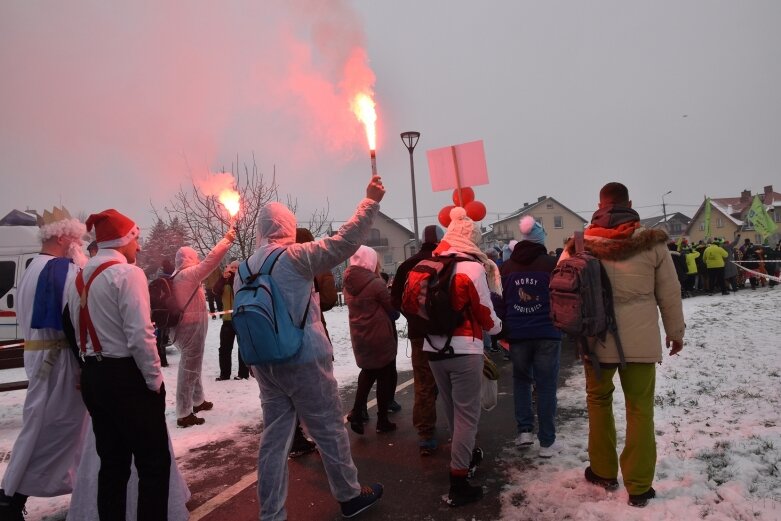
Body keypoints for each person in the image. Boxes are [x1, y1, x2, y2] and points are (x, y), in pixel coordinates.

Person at [236, 175, 386, 520]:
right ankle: (350, 495)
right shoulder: (295, 257)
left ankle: (271, 513)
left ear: (260, 229)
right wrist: (370, 201)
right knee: (328, 428)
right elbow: (344, 242)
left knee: (274, 439)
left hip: (265, 362)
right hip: (303, 359)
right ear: (288, 226)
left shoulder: (245, 268)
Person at [559, 182, 685, 508]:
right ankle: (640, 487)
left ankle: (602, 471)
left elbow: (562, 287)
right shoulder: (652, 243)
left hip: (595, 342)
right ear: (629, 203)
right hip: (640, 342)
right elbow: (669, 293)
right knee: (640, 409)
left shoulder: (579, 244)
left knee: (598, 404)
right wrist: (676, 332)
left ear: (599, 204)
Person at [66, 208, 171, 520]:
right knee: (153, 464)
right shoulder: (127, 273)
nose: (138, 247)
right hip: (126, 377)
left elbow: (74, 327)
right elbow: (140, 335)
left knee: (112, 464)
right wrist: (154, 382)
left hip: (94, 376)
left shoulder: (80, 277)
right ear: (122, 240)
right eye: (135, 240)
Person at [0, 207, 90, 520]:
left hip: (40, 357)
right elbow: (70, 320)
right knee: (56, 428)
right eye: (75, 237)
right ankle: (11, 497)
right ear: (63, 235)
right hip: (59, 360)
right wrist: (84, 364)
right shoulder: (57, 269)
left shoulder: (33, 268)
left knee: (46, 425)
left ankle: (14, 493)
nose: (78, 242)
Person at [419, 206, 502, 507]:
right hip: (465, 349)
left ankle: (464, 456)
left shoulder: (431, 264)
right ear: (472, 239)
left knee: (453, 410)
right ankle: (458, 481)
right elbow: (485, 313)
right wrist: (499, 327)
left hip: (433, 349)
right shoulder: (473, 268)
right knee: (468, 415)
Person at [499, 216, 562, 457]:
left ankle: (524, 431)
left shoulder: (506, 268)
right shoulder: (552, 264)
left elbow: (500, 301)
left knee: (522, 381)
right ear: (541, 239)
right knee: (546, 386)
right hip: (547, 332)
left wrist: (504, 331)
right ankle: (547, 442)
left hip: (518, 333)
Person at [171, 230, 235, 427]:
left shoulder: (179, 276)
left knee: (193, 365)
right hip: (189, 329)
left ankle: (197, 401)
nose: (198, 259)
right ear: (189, 258)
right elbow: (211, 261)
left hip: (188, 328)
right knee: (189, 368)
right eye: (194, 256)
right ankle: (183, 412)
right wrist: (227, 240)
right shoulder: (187, 275)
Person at [390, 225, 444, 455]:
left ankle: (425, 434)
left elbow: (395, 299)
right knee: (452, 381)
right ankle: (463, 430)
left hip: (418, 333)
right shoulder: (446, 262)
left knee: (423, 381)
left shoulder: (406, 265)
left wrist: (413, 316)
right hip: (446, 332)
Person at [287, 228, 339, 459]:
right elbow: (327, 300)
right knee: (319, 390)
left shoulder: (279, 265)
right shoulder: (315, 265)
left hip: (285, 338)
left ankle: (294, 438)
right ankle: (326, 442)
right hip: (313, 335)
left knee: (291, 391)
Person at [343, 246, 399, 435]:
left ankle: (357, 412)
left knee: (367, 373)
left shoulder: (348, 283)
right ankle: (382, 420)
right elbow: (392, 310)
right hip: (380, 336)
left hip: (360, 335)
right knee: (384, 376)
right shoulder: (376, 283)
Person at [212, 261, 247, 381]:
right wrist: (223, 278)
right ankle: (224, 374)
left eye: (236, 267)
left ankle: (243, 373)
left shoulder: (244, 280)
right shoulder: (225, 280)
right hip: (227, 320)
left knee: (243, 347)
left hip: (242, 319)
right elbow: (215, 291)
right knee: (224, 348)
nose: (234, 270)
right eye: (232, 267)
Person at [154, 259, 175, 367]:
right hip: (169, 311)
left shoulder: (159, 282)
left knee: (160, 336)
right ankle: (163, 359)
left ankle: (162, 360)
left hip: (161, 312)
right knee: (164, 334)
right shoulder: (172, 280)